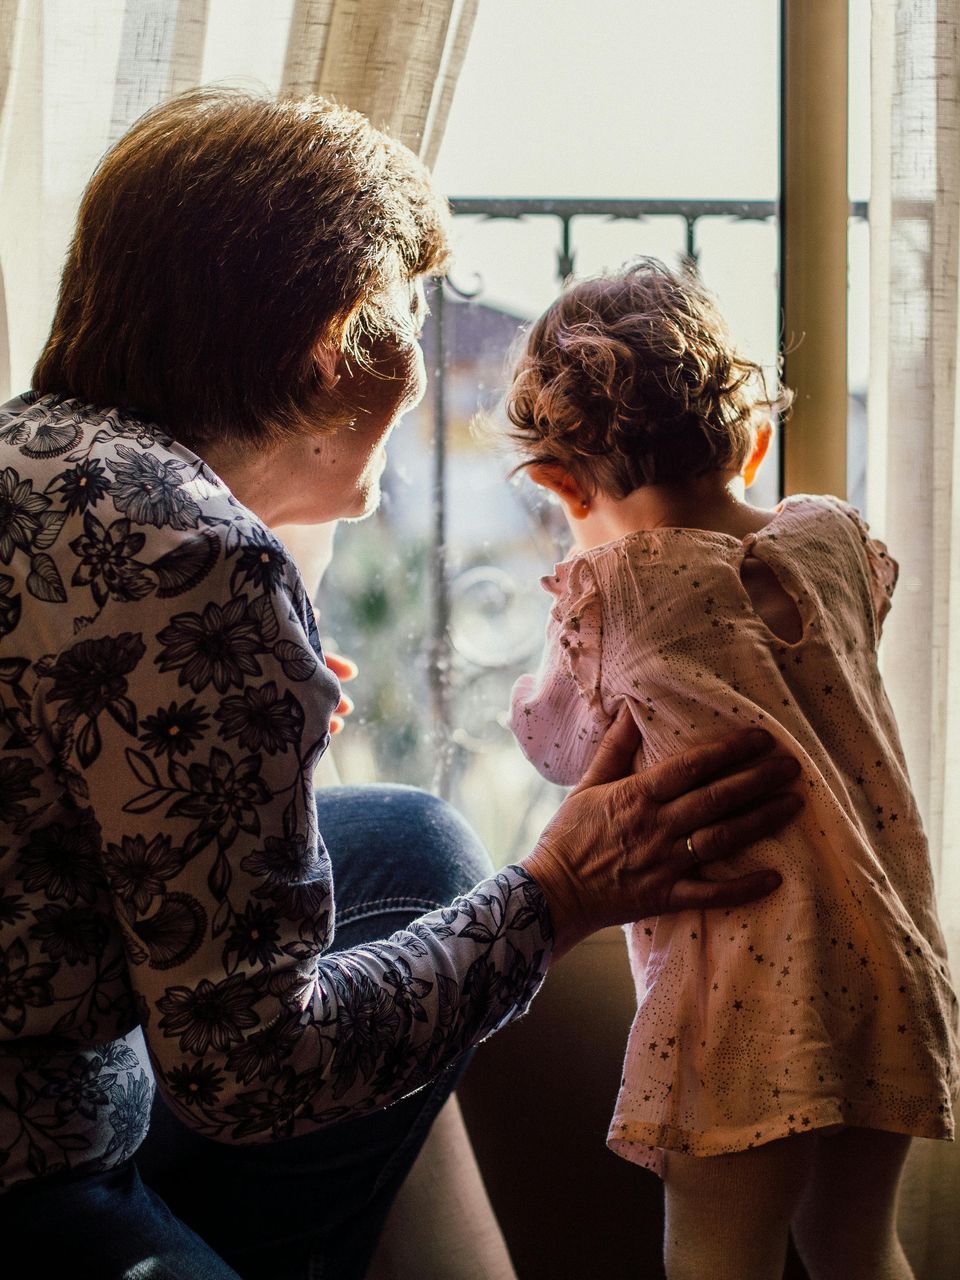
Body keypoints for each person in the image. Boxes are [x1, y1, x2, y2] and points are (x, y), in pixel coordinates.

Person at [0, 95, 803, 1280]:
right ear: (337, 338)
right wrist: (560, 893)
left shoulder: (40, 446)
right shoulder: (203, 563)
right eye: (411, 311)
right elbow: (250, 1071)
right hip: (38, 1159)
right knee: (449, 904)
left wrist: (240, 741)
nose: (424, 366)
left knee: (415, 841)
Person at [506, 258, 960, 1280]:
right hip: (884, 957)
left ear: (558, 483)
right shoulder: (832, 538)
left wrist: (568, 626)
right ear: (753, 440)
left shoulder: (612, 586)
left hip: (744, 997)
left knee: (720, 1252)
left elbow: (561, 745)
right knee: (856, 1242)